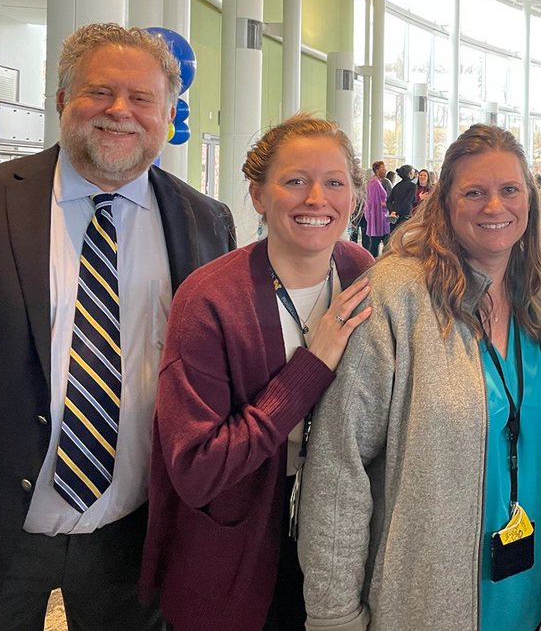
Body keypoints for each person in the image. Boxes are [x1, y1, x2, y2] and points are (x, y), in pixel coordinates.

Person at [0, 23, 236, 630]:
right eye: (99, 92)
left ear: (169, 114)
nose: (120, 111)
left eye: (141, 98)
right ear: (62, 99)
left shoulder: (204, 224)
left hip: (136, 537)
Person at [299, 125, 541, 631]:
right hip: (424, 602)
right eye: (474, 192)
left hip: (531, 599)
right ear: (444, 202)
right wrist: (333, 614)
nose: (495, 206)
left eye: (509, 190)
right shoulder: (396, 296)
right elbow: (340, 464)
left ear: (529, 199)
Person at [141, 114, 374, 631]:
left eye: (335, 182)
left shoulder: (362, 274)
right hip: (239, 548)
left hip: (335, 538)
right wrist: (311, 366)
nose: (317, 198)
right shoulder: (210, 300)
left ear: (355, 196)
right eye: (295, 181)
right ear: (258, 195)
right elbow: (198, 469)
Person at [363, 160, 390, 257]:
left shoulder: (377, 182)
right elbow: (374, 203)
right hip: (378, 218)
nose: (385, 170)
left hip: (381, 217)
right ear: (377, 170)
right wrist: (388, 204)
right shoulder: (374, 183)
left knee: (377, 242)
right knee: (376, 243)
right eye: (383, 169)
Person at [386, 163, 417, 227]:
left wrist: (392, 211)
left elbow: (388, 201)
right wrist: (397, 212)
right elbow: (408, 201)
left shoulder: (397, 186)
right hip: (405, 215)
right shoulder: (413, 186)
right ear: (410, 174)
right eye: (413, 173)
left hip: (394, 216)